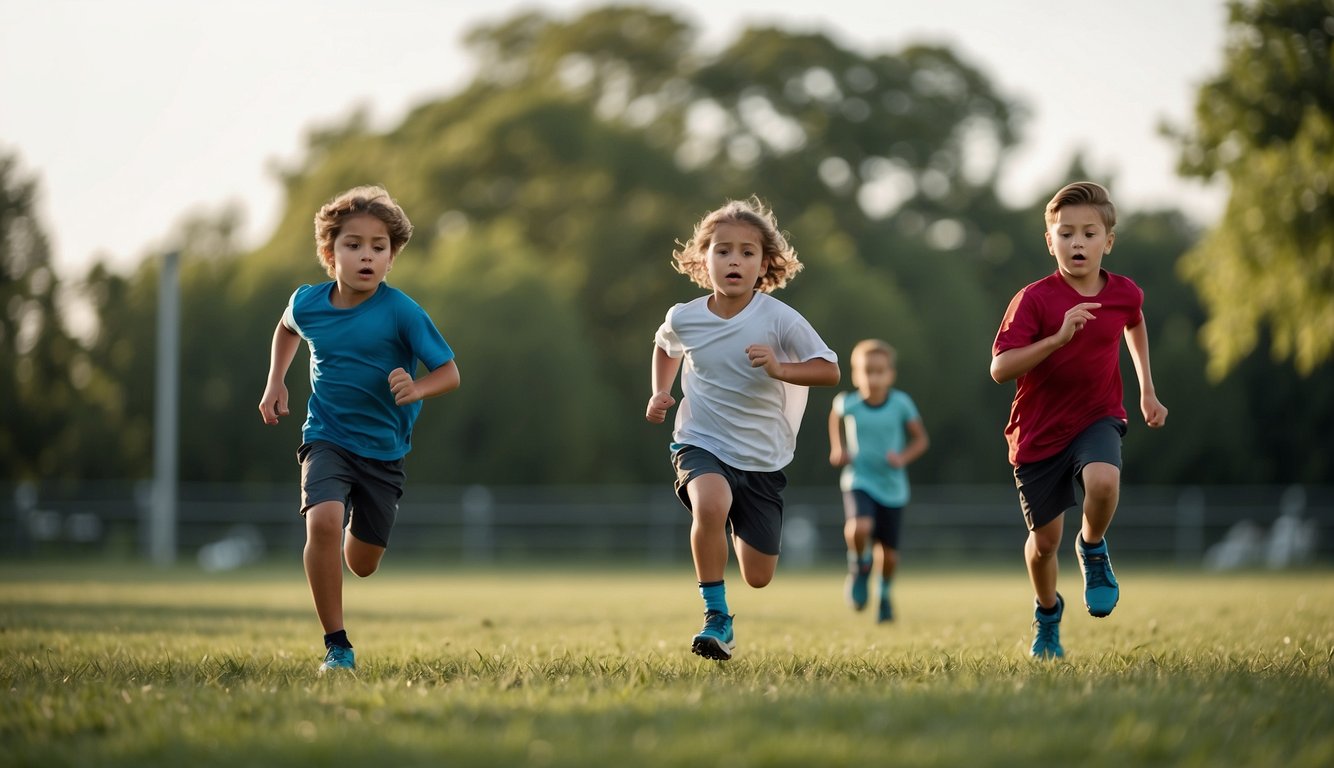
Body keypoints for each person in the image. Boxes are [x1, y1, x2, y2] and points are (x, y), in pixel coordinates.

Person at [258, 185, 460, 673]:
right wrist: (276, 382)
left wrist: (416, 387)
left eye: (378, 247)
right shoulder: (308, 303)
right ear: (331, 255)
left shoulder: (402, 312)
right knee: (322, 521)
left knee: (363, 563)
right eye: (354, 245)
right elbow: (287, 327)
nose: (366, 255)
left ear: (391, 259)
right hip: (326, 435)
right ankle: (337, 645)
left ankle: (357, 532)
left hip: (384, 452)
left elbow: (449, 373)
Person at [646, 196, 840, 661]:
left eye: (747, 252)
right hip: (700, 441)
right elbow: (665, 345)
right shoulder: (684, 315)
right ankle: (716, 617)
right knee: (709, 504)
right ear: (702, 259)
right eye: (723, 250)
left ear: (764, 265)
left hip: (761, 458)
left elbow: (828, 369)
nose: (735, 260)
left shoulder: (779, 319)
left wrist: (780, 369)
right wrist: (659, 392)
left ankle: (735, 521)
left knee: (758, 574)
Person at [990, 181, 1167, 660]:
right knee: (1045, 543)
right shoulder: (1034, 300)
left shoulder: (1124, 293)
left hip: (1098, 416)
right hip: (1038, 433)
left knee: (1104, 481)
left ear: (1107, 241)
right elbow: (1000, 368)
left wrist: (1147, 389)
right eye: (1065, 233)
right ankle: (1047, 614)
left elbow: (1134, 321)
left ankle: (1092, 548)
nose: (1077, 242)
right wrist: (1056, 339)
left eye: (1089, 233)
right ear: (1050, 241)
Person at [828, 339, 929, 623]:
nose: (873, 377)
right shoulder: (849, 403)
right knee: (859, 527)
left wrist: (902, 457)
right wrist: (837, 448)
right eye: (867, 371)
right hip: (859, 478)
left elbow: (921, 439)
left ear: (890, 374)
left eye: (879, 371)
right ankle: (859, 565)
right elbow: (835, 416)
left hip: (893, 487)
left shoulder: (900, 404)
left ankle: (884, 595)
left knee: (890, 555)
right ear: (856, 374)